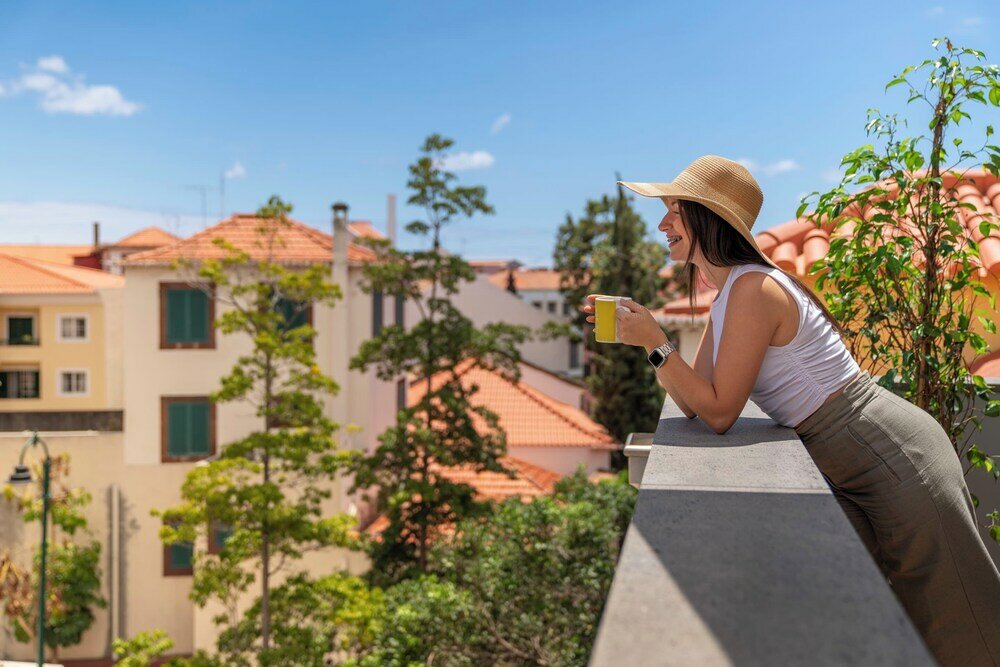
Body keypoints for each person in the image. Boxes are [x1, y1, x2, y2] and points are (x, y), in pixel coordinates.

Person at [580, 155, 1000, 666]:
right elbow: (694, 403)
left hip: (891, 451)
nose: (663, 223)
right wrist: (649, 342)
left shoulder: (755, 290)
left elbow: (718, 413)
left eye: (674, 210)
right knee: (882, 615)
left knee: (961, 628)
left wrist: (658, 340)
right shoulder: (732, 292)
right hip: (853, 457)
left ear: (708, 219)